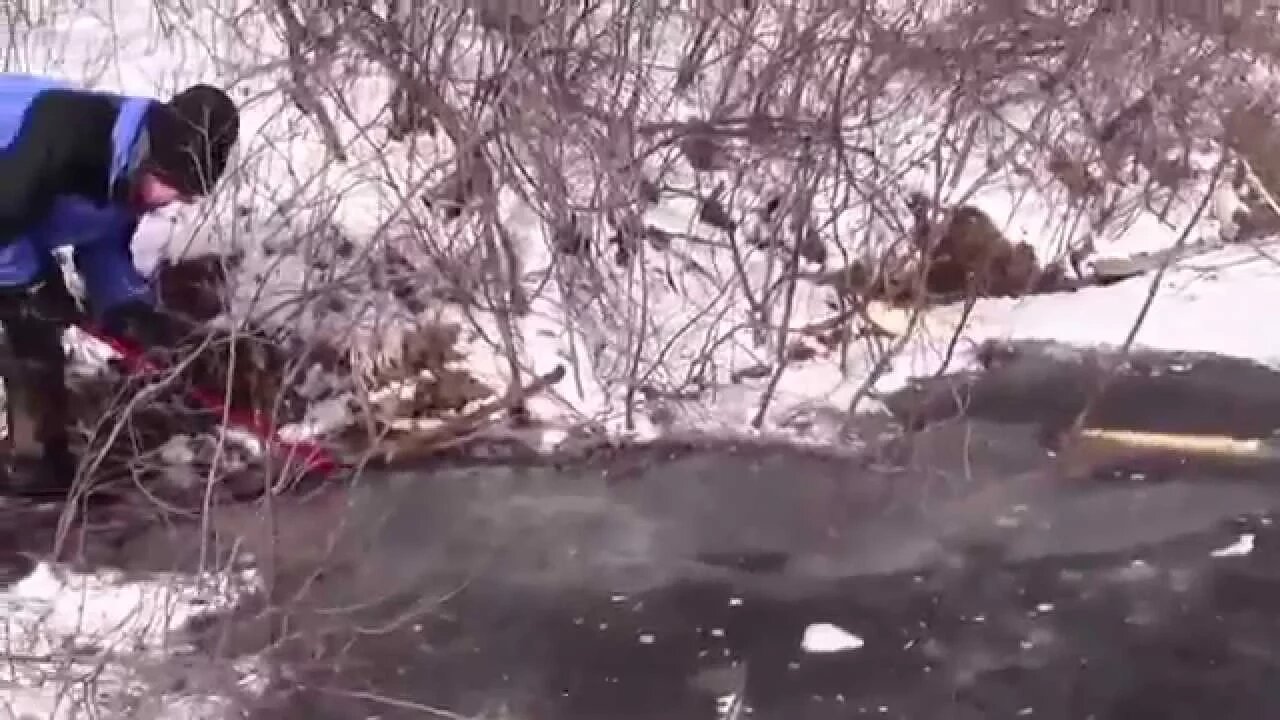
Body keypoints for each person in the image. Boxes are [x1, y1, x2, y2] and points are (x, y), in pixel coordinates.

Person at [0, 73, 240, 497]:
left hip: (12, 213)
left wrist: (129, 308)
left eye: (184, 195)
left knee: (34, 322)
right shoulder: (65, 136)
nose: (168, 201)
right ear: (151, 154)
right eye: (171, 185)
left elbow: (102, 247)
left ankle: (39, 466)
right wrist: (32, 283)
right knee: (26, 295)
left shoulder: (131, 178)